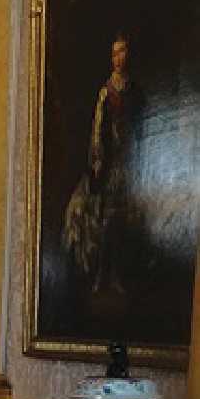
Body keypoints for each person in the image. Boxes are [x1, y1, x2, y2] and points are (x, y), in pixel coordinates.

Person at [63, 33, 138, 296]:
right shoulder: (106, 92)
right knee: (103, 220)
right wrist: (97, 160)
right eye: (115, 53)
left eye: (123, 52)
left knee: (122, 221)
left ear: (129, 55)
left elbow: (140, 128)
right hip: (108, 164)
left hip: (128, 162)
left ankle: (116, 275)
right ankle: (99, 276)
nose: (119, 57)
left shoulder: (134, 90)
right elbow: (97, 130)